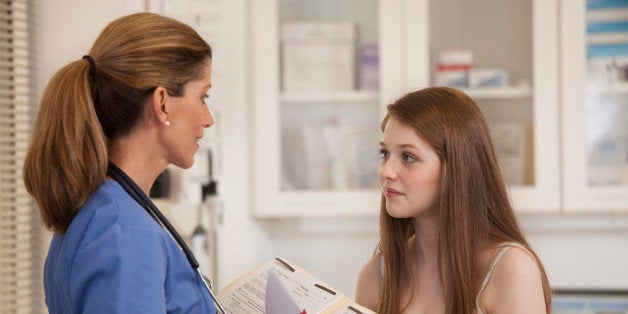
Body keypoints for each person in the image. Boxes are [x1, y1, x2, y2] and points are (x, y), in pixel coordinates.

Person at [23, 13, 219, 313]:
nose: (208, 120)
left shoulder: (104, 212)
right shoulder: (124, 232)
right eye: (203, 96)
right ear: (162, 103)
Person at [355, 87, 551, 313]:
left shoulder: (509, 269)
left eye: (408, 157)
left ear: (457, 168)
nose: (386, 172)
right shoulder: (377, 275)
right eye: (385, 154)